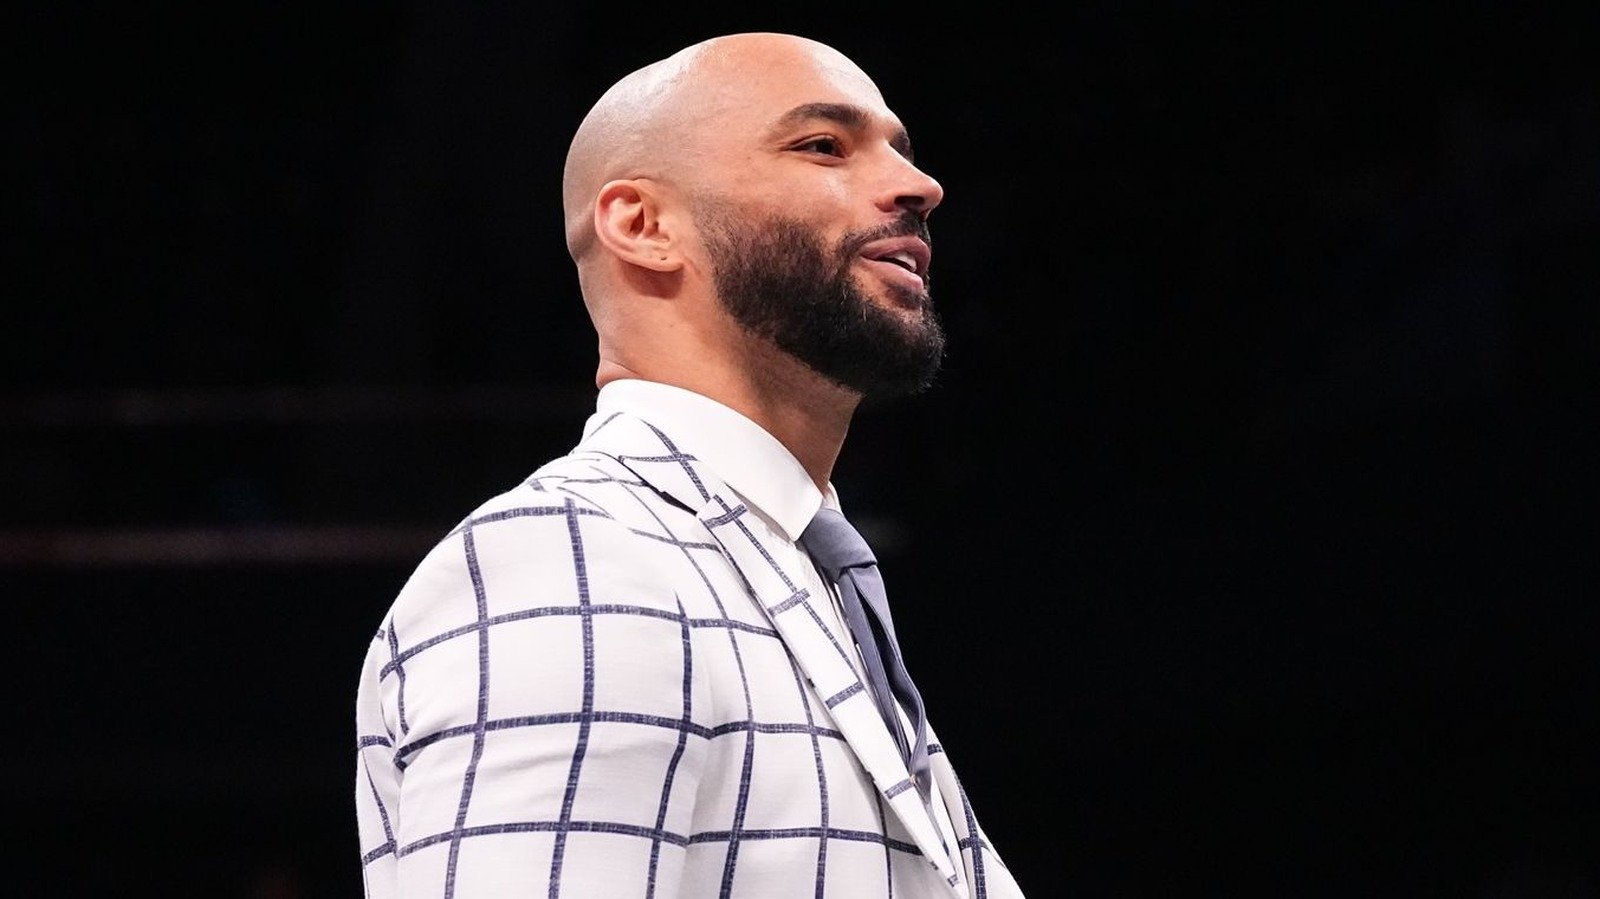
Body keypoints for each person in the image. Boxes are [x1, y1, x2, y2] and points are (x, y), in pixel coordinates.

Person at [354, 31, 1025, 898]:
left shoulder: (784, 570)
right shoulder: (580, 562)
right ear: (645, 225)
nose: (919, 184)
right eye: (824, 145)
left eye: (900, 148)